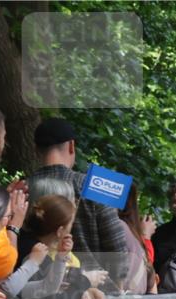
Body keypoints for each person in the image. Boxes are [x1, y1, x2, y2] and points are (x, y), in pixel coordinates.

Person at [26, 117, 127, 283]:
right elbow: (117, 249)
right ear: (72, 146)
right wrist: (118, 284)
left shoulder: (20, 190)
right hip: (95, 291)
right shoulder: (98, 185)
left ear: (36, 149)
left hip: (37, 291)